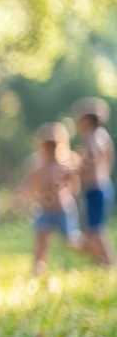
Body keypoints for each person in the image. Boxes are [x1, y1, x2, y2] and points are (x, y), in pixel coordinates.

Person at [21, 123, 81, 275]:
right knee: (41, 238)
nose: (50, 148)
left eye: (53, 144)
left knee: (71, 242)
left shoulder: (65, 162)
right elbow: (29, 185)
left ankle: (97, 254)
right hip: (45, 210)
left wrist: (70, 190)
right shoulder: (37, 164)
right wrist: (23, 197)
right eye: (46, 144)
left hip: (63, 209)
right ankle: (37, 269)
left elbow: (74, 184)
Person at [74, 98, 116, 268]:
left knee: (96, 231)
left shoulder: (92, 137)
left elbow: (90, 160)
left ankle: (110, 265)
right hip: (104, 186)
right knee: (94, 229)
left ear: (88, 120)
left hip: (95, 189)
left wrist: (77, 167)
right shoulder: (103, 136)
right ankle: (99, 264)